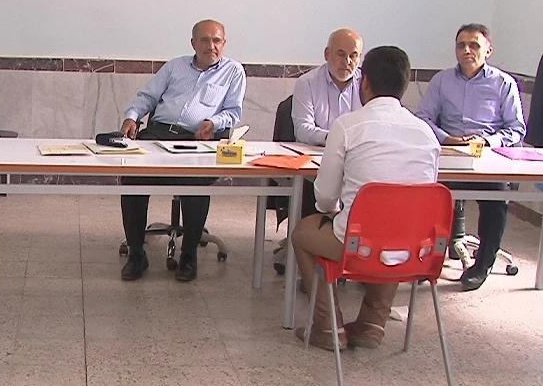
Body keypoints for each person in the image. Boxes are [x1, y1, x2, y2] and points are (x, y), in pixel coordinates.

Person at [291, 46, 440, 351]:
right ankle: (372, 324)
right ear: (405, 84)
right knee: (396, 230)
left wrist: (332, 211)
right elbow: (426, 193)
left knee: (304, 233)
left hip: (358, 246)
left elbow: (325, 196)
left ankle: (328, 327)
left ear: (365, 82)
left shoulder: (348, 126)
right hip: (414, 250)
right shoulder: (426, 133)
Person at [119, 19, 246, 282]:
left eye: (217, 41)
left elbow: (233, 111)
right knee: (133, 176)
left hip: (200, 139)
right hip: (160, 133)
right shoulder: (175, 66)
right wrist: (132, 117)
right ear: (193, 43)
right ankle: (136, 254)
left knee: (196, 182)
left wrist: (214, 123)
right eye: (205, 40)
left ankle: (189, 256)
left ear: (224, 43)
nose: (211, 46)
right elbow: (147, 97)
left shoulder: (233, 71)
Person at [416, 23, 526, 291]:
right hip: (449, 154)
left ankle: (482, 265)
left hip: (485, 156)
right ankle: (426, 261)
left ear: (488, 50)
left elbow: (516, 128)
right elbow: (423, 118)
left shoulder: (503, 83)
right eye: (461, 45)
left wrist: (487, 141)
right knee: (424, 195)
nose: (466, 50)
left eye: (474, 45)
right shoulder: (442, 81)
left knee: (496, 201)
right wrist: (446, 138)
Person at [274, 29, 365, 272]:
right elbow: (303, 130)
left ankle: (354, 253)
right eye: (340, 54)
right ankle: (313, 257)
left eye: (354, 56)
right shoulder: (308, 82)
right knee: (314, 187)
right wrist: (338, 139)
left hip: (355, 160)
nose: (347, 62)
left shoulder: (366, 84)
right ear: (327, 54)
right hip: (316, 160)